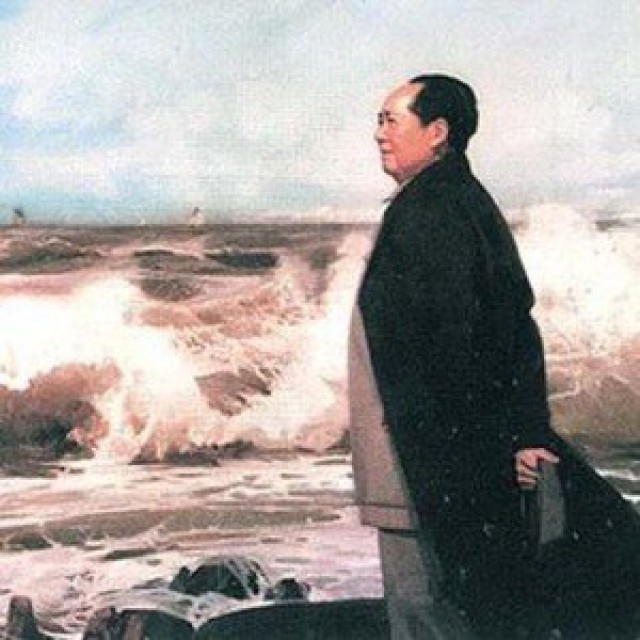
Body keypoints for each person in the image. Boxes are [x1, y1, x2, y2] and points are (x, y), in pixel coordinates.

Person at [348, 74, 640, 639]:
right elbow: (510, 325)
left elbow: (475, 340)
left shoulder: (433, 210)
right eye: (378, 121)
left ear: (437, 132)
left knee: (426, 609)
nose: (379, 134)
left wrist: (511, 439)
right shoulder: (450, 200)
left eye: (391, 120)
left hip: (422, 460)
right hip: (431, 454)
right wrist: (522, 432)